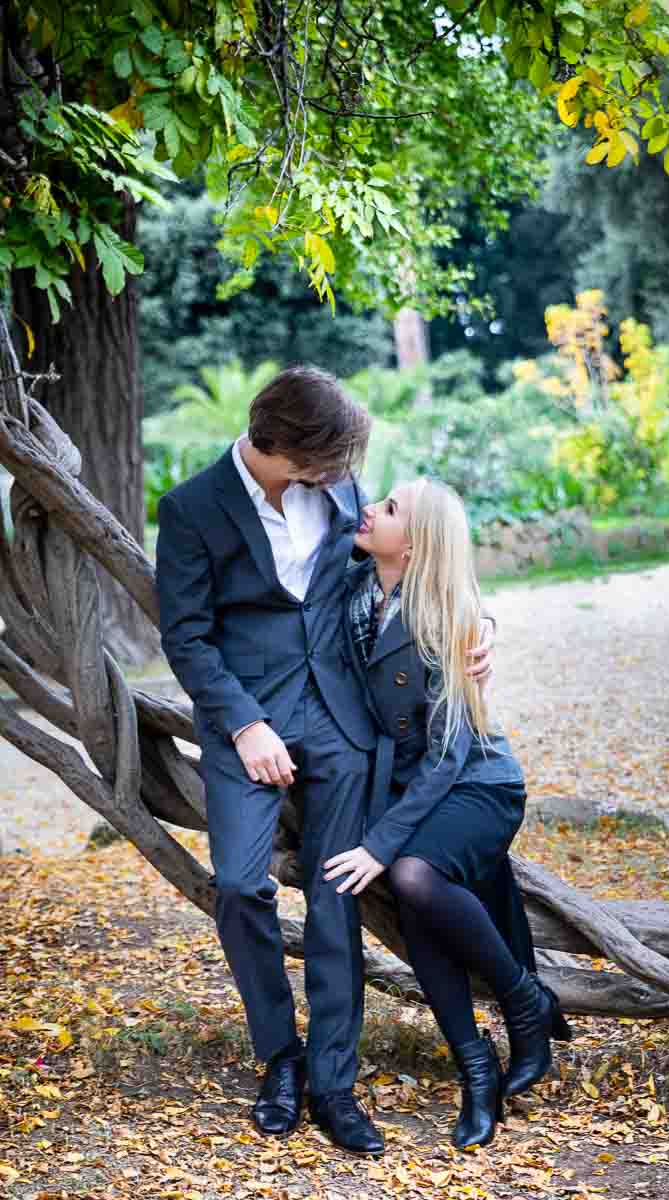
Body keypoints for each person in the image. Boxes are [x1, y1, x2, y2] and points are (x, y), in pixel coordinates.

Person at [155, 368, 493, 1156]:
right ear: (282, 450)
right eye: (331, 463)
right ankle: (281, 1058)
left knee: (337, 889)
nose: (347, 477)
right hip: (250, 720)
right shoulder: (192, 509)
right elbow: (187, 637)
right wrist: (242, 726)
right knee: (241, 884)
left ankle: (335, 1083)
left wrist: (483, 627)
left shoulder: (339, 482)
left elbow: (411, 565)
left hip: (346, 717)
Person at [324, 478, 571, 1150]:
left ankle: (521, 1005)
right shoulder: (358, 589)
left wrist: (377, 843)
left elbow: (449, 754)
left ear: (417, 543)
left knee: (409, 876)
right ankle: (478, 1070)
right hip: (412, 789)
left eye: (391, 509)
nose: (372, 509)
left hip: (478, 783)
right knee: (415, 894)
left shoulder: (447, 620)